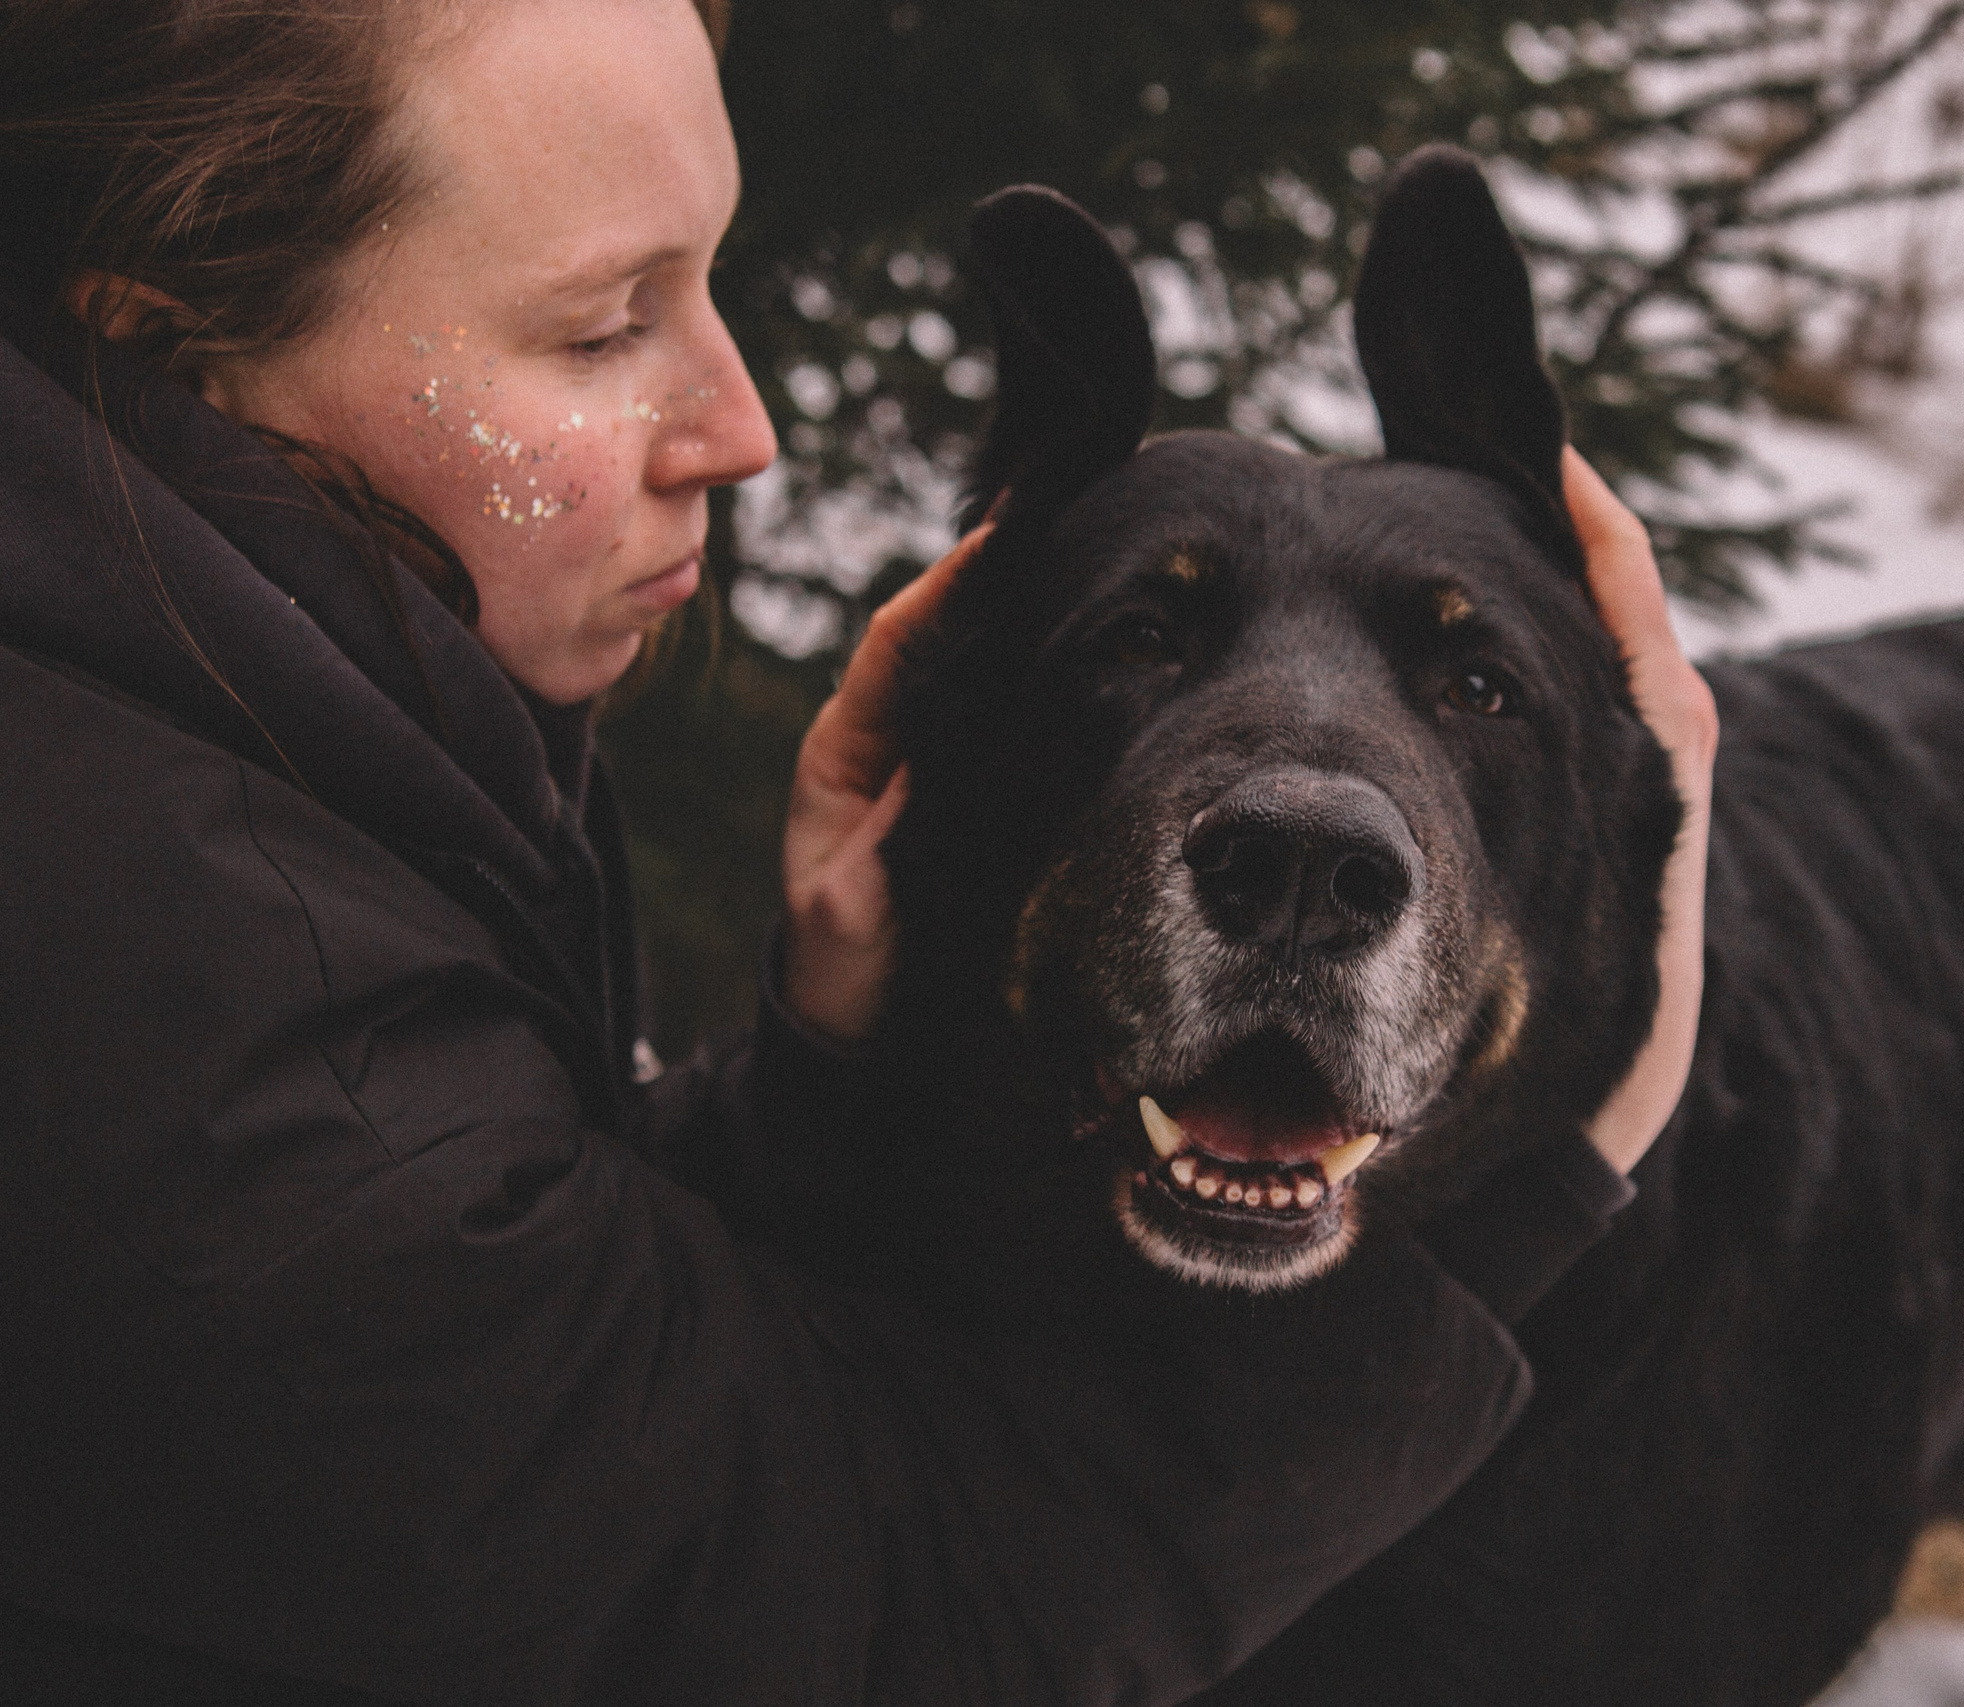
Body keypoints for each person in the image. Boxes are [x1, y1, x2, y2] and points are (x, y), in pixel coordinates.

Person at [0, 0, 1721, 1701]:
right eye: (601, 329)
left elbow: (532, 1360)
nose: (742, 430)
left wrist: (818, 1066)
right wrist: (1535, 1199)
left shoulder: (234, 740)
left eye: (711, 282)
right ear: (181, 357)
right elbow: (848, 1623)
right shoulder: (181, 1012)